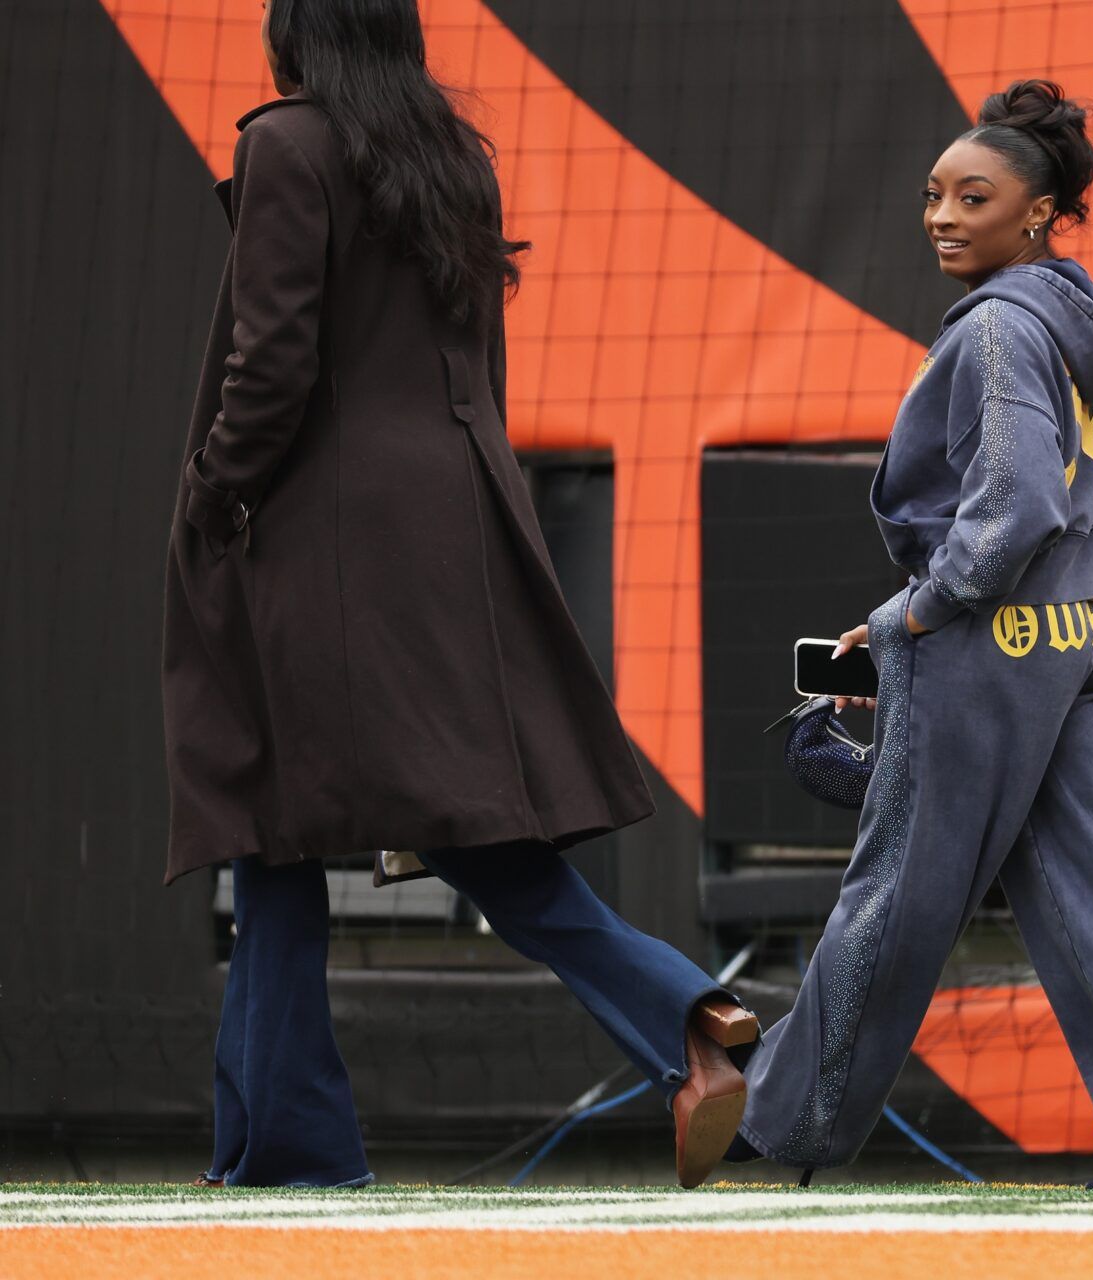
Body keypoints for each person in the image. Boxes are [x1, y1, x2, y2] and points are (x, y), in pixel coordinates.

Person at [162, 0, 754, 1191]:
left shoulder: (287, 141)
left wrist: (216, 495)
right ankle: (285, 1138)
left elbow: (270, 361)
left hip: (320, 521)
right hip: (454, 507)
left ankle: (297, 1145)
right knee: (422, 822)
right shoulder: (448, 154)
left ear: (297, 38)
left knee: (273, 811)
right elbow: (473, 362)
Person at [726, 80, 1093, 1190]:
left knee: (896, 893)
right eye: (932, 195)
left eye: (976, 196)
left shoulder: (1003, 325)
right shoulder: (1062, 316)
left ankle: (773, 1123)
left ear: (1041, 214)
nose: (943, 215)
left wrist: (909, 614)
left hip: (996, 637)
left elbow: (1013, 508)